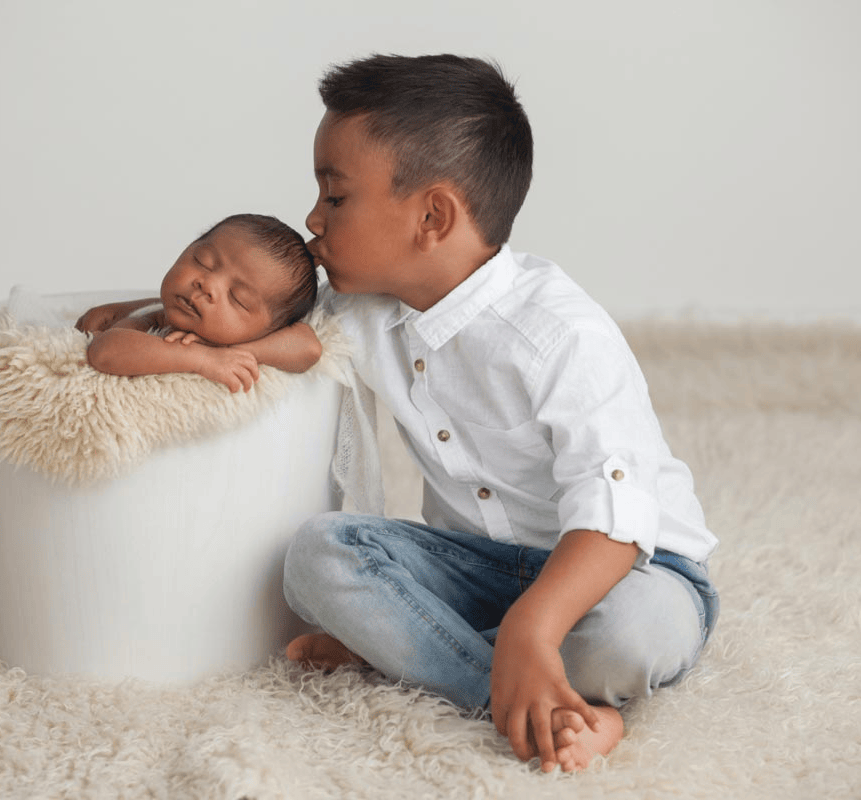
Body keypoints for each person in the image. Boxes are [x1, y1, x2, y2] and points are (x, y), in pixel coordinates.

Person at [281, 54, 720, 774]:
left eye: (335, 197)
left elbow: (616, 511)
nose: (311, 218)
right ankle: (550, 700)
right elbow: (257, 323)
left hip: (629, 568)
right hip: (478, 564)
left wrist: (537, 623)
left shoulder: (557, 333)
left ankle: (447, 653)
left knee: (628, 637)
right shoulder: (358, 313)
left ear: (432, 216)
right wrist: (144, 315)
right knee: (317, 557)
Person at [76, 214, 322, 391]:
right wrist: (202, 358)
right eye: (203, 261)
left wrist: (234, 352)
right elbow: (105, 350)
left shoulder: (253, 339)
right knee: (97, 317)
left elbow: (309, 347)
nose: (207, 284)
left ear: (271, 330)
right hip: (135, 314)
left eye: (238, 298)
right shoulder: (155, 321)